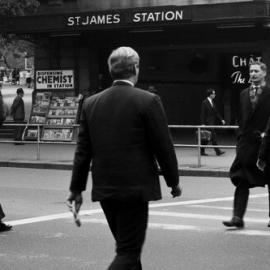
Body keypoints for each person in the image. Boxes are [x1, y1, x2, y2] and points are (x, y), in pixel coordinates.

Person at [67, 46, 182, 270]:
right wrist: (173, 181)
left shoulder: (91, 103)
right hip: (135, 188)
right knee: (128, 252)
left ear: (111, 70)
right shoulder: (148, 100)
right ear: (136, 68)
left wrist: (76, 189)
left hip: (105, 187)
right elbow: (163, 146)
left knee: (127, 249)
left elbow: (83, 151)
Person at [223, 61, 270, 228]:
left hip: (267, 145)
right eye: (251, 71)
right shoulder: (243, 93)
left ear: (264, 73)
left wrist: (266, 134)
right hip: (246, 146)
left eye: (257, 71)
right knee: (241, 180)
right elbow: (240, 119)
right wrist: (240, 138)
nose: (253, 74)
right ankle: (237, 217)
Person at [200, 88, 225, 156]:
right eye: (213, 94)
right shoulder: (204, 102)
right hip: (207, 123)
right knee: (213, 136)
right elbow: (202, 113)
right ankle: (218, 151)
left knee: (207, 138)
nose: (215, 95)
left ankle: (201, 151)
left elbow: (216, 112)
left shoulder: (212, 102)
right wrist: (202, 124)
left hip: (211, 122)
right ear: (210, 95)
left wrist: (221, 119)